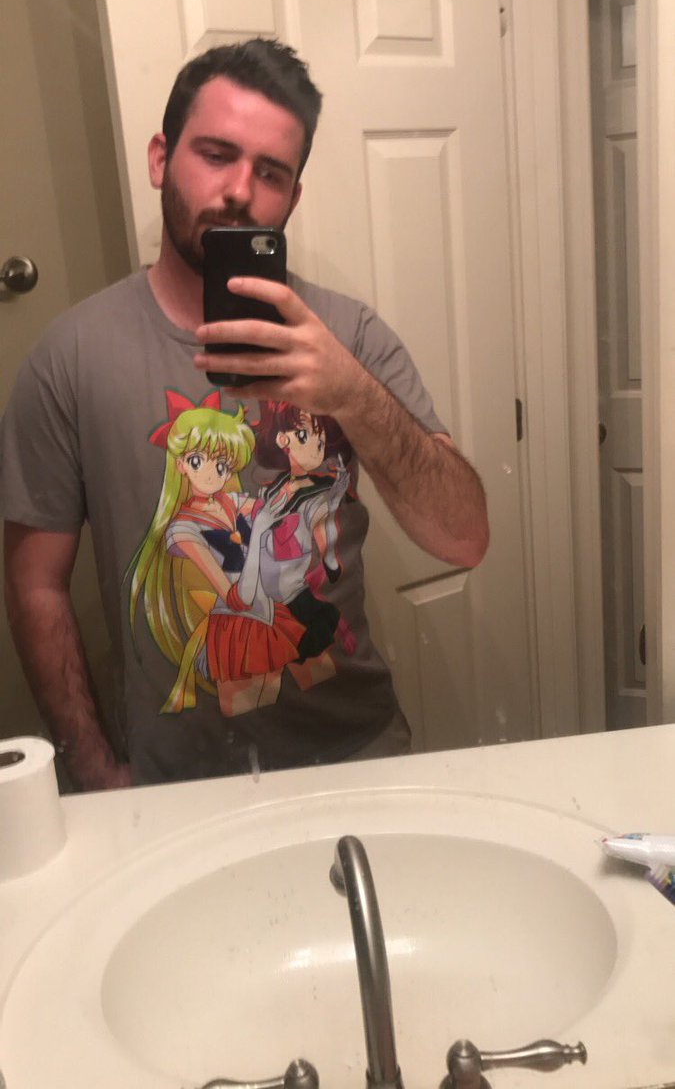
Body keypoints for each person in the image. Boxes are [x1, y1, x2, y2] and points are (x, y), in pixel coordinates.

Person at [0, 39, 489, 791]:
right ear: (161, 158)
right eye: (216, 154)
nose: (239, 191)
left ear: (292, 198)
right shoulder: (69, 357)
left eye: (270, 173)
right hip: (171, 782)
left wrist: (349, 391)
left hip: (355, 751)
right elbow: (37, 586)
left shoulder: (350, 337)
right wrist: (94, 769)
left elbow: (463, 538)